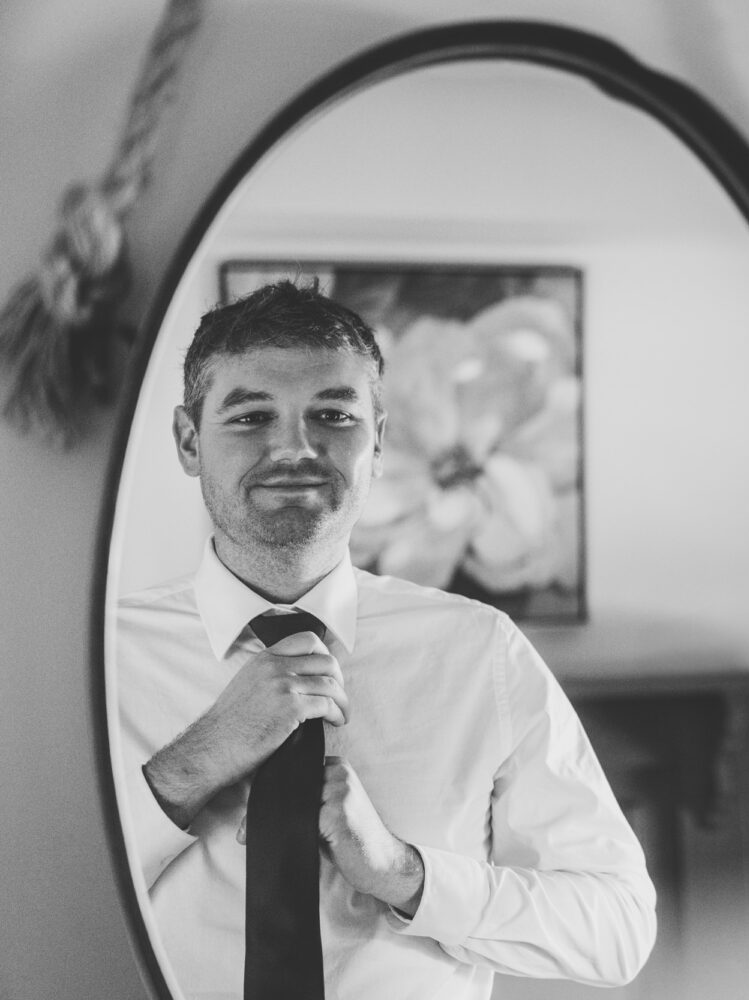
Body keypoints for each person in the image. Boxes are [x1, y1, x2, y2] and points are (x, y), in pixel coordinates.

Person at [115, 281, 655, 1000]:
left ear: (380, 439)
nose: (295, 447)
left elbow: (619, 929)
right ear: (189, 440)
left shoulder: (479, 652)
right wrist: (193, 762)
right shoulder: (99, 661)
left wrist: (404, 873)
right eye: (250, 416)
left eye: (333, 415)